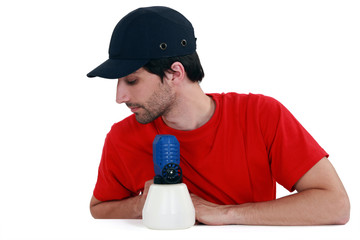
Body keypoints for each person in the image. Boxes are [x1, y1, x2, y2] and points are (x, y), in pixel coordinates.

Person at [87, 6, 350, 225]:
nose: (119, 96)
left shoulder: (261, 115)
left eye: (132, 80)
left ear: (175, 73)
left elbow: (336, 205)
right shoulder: (122, 137)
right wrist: (140, 204)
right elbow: (99, 208)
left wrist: (225, 213)